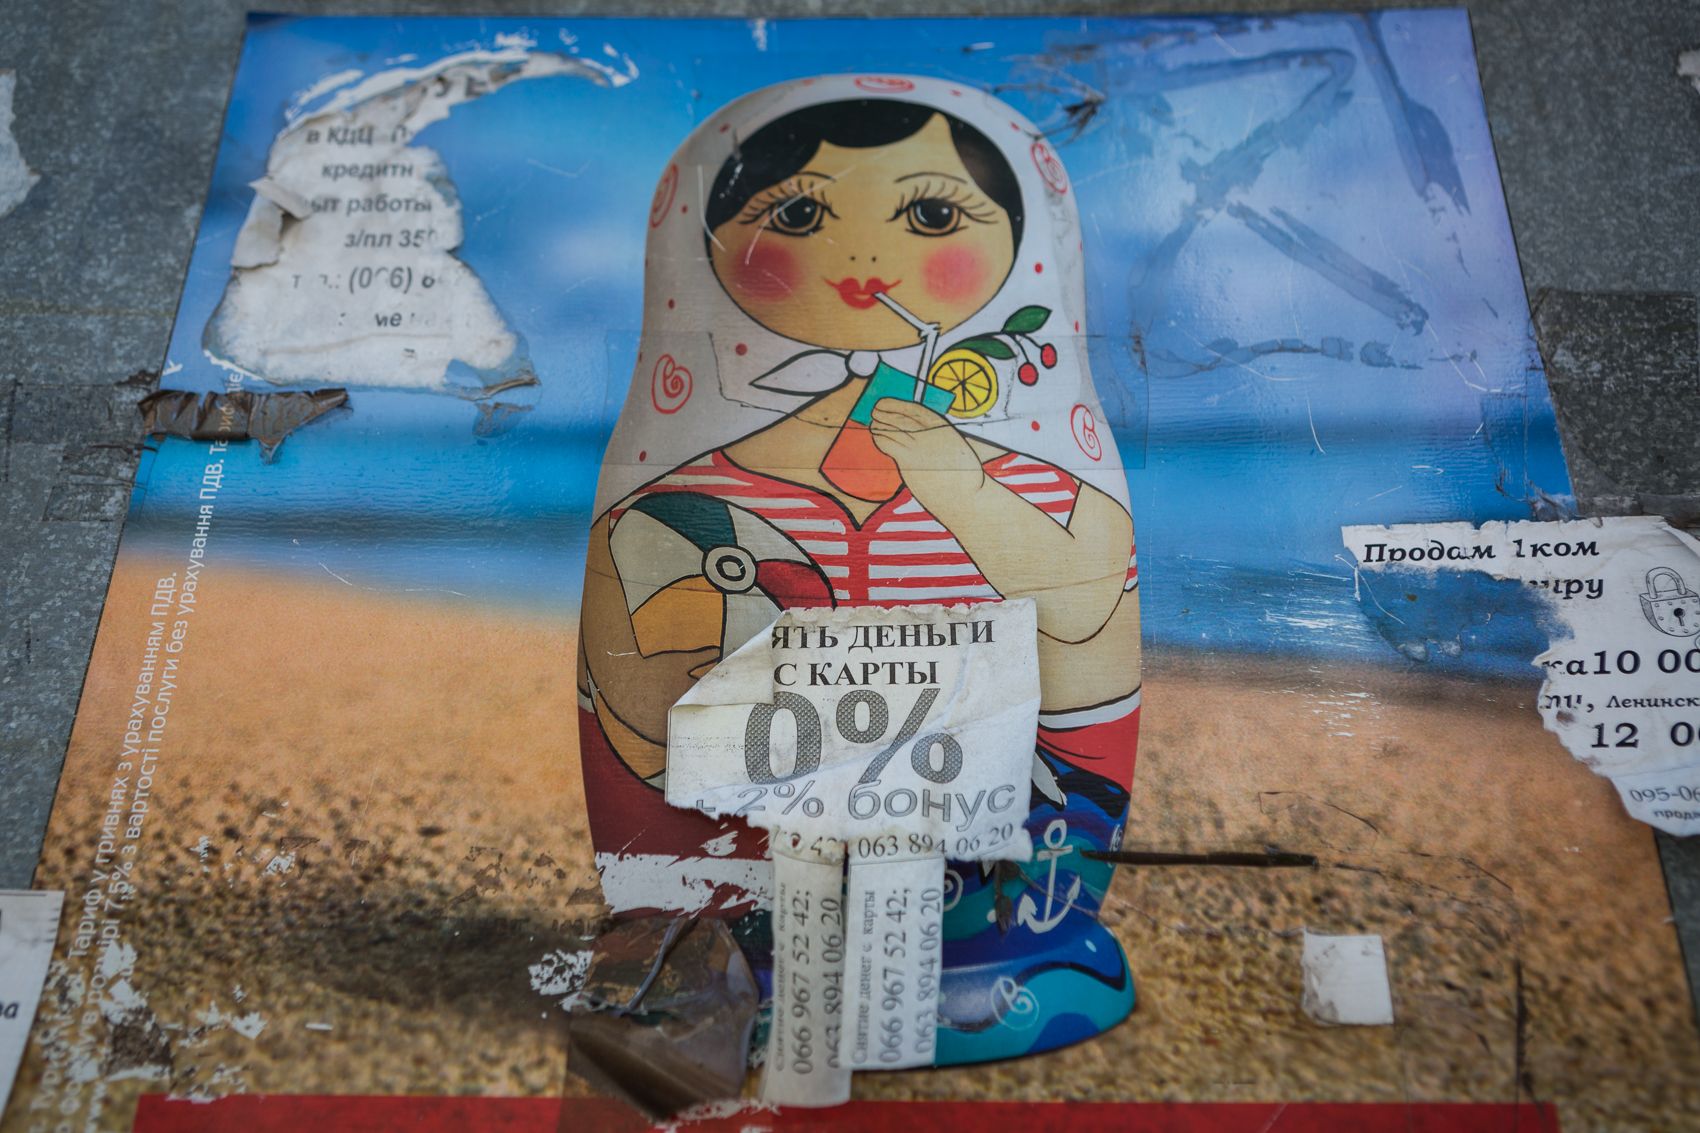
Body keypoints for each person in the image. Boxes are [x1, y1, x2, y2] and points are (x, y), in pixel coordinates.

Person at [579, 75, 1142, 1062]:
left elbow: (1082, 614)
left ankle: (1001, 938)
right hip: (735, 855)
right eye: (798, 216)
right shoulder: (680, 500)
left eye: (932, 215)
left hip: (1004, 864)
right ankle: (714, 943)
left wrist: (964, 486)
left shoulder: (1044, 482)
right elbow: (634, 696)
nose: (867, 260)